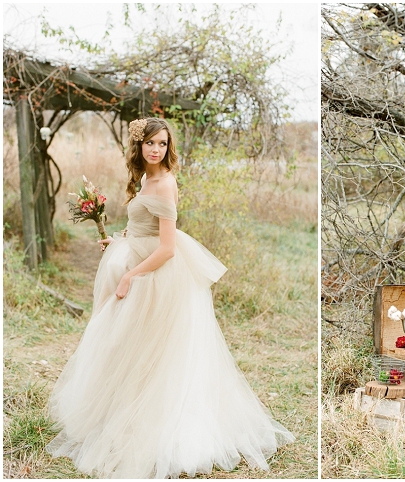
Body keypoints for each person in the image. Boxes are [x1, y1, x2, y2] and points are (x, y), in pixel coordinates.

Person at [46, 118, 294, 478]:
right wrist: (119, 240)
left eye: (162, 144)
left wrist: (130, 275)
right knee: (127, 350)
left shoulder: (165, 184)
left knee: (154, 355)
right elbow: (142, 228)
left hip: (156, 277)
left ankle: (157, 429)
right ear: (139, 147)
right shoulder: (145, 178)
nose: (156, 149)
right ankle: (122, 418)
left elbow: (166, 248)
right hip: (137, 260)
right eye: (150, 143)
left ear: (168, 147)